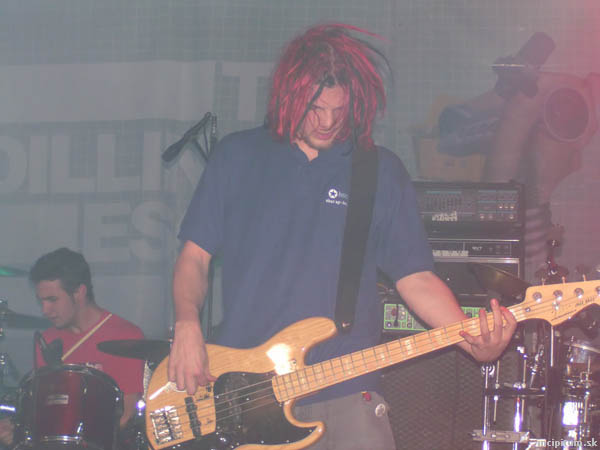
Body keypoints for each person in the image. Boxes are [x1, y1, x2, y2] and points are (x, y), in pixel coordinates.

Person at [167, 23, 517, 450]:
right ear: (287, 97)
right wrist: (186, 323)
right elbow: (194, 257)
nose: (329, 122)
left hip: (346, 387)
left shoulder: (379, 170)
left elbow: (417, 278)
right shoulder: (237, 157)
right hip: (247, 391)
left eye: (340, 109)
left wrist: (471, 339)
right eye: (315, 108)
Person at [0, 247, 145, 448]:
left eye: (52, 300)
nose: (45, 310)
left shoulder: (126, 336)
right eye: (41, 301)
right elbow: (47, 415)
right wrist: (18, 431)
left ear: (79, 292)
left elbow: (126, 414)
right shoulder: (47, 340)